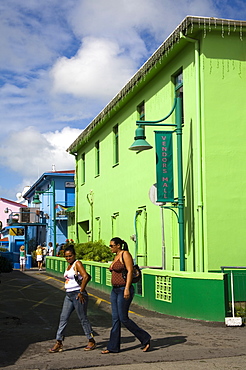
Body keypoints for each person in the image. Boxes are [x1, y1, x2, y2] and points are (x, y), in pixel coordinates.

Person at [101, 237, 151, 354]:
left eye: (112, 246)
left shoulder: (125, 255)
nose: (110, 248)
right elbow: (111, 268)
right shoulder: (116, 256)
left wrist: (127, 288)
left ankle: (145, 338)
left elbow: (130, 271)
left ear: (118, 245)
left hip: (124, 288)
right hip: (115, 290)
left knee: (123, 318)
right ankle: (113, 347)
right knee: (115, 319)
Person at [49, 245, 96, 353]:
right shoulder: (69, 266)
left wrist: (81, 291)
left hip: (77, 294)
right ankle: (59, 342)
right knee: (63, 318)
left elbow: (86, 277)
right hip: (68, 295)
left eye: (70, 256)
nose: (68, 258)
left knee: (82, 318)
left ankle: (91, 340)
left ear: (74, 255)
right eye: (66, 256)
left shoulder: (77, 263)